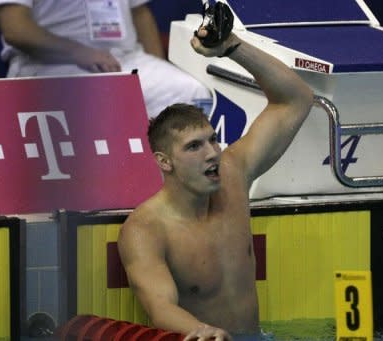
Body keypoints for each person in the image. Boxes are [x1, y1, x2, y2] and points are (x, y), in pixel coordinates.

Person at [117, 21, 314, 341]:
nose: (212, 153)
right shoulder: (145, 228)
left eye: (212, 140)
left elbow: (297, 99)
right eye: (194, 147)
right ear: (164, 161)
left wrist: (233, 47)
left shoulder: (233, 175)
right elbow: (159, 305)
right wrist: (199, 330)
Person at [0, 0, 212, 118]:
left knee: (191, 93)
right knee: (97, 100)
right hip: (51, 65)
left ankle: (174, 201)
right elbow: (15, 28)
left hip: (125, 60)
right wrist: (78, 52)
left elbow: (140, 13)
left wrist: (160, 66)